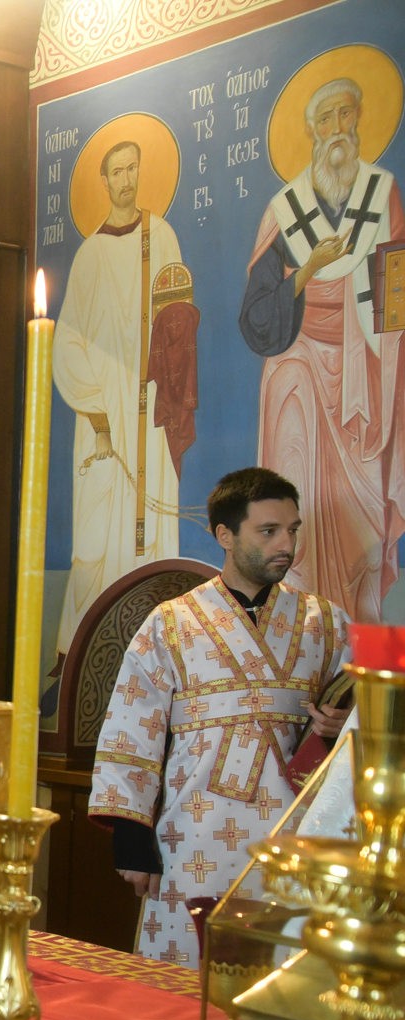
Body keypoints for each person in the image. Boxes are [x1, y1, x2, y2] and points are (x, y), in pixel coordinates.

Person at [91, 467, 349, 966]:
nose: (286, 545)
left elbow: (361, 715)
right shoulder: (171, 622)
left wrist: (341, 730)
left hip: (295, 833)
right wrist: (132, 839)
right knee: (186, 977)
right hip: (194, 831)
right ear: (225, 535)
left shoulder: (326, 622)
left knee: (280, 978)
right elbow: (131, 727)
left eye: (292, 530)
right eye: (269, 531)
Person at [240, 76, 405, 623]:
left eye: (346, 114)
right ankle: (299, 621)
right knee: (291, 394)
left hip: (364, 363)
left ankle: (357, 625)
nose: (338, 128)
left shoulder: (382, 195)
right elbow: (257, 317)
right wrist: (307, 270)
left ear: (359, 121)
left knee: (360, 516)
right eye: (326, 118)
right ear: (312, 131)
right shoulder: (285, 210)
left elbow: (397, 290)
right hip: (301, 354)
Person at [54, 139, 193, 653]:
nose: (127, 179)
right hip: (101, 418)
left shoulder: (163, 237)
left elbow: (177, 321)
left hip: (152, 408)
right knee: (94, 535)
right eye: (117, 171)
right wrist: (101, 416)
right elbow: (67, 341)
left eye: (134, 168)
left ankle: (155, 648)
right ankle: (81, 651)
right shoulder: (91, 254)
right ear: (105, 181)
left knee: (152, 527)